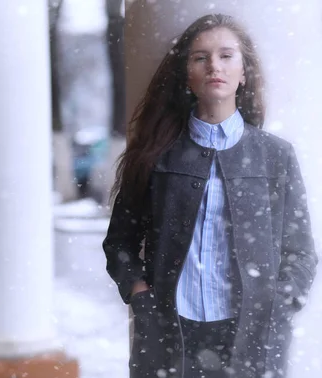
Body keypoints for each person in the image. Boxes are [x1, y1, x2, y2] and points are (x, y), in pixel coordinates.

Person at [102, 13, 317, 378]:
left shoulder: (275, 155)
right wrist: (140, 295)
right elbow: (120, 241)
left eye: (226, 55)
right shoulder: (156, 154)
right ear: (187, 75)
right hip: (169, 331)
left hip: (252, 335)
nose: (214, 65)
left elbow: (300, 251)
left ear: (243, 72)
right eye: (200, 57)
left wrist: (279, 303)